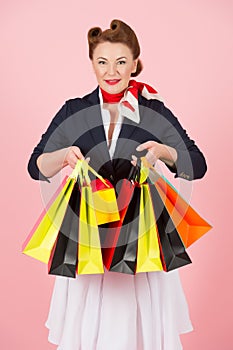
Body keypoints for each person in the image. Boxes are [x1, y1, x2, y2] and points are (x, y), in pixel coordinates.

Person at [27, 19, 207, 350]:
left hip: (140, 242)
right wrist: (64, 154)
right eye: (102, 62)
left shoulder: (153, 110)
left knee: (136, 331)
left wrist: (162, 152)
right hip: (88, 240)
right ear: (92, 65)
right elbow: (35, 164)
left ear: (135, 63)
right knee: (88, 329)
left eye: (121, 61)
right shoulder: (74, 110)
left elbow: (197, 165)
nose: (112, 71)